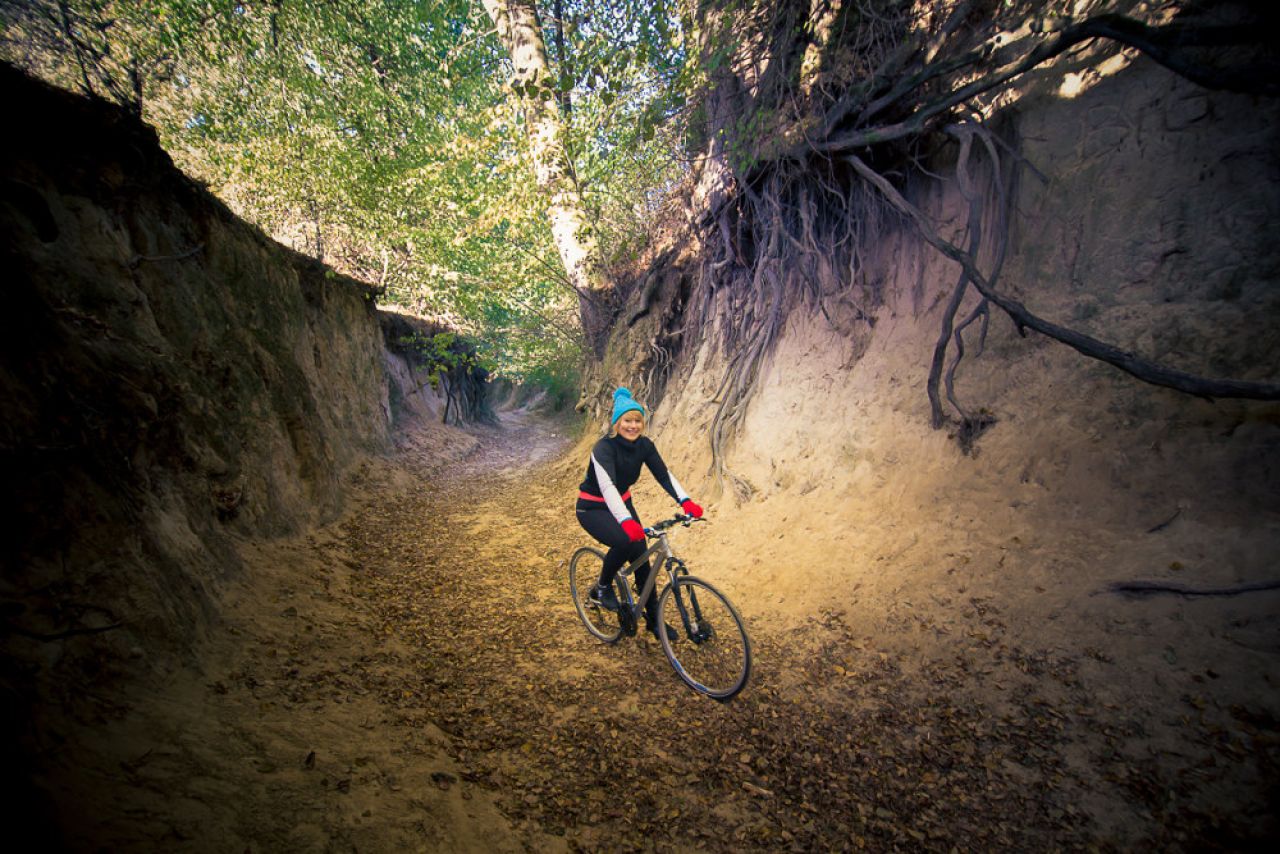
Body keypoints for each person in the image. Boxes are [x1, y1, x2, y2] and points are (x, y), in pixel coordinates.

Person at [576, 387, 703, 641]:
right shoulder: (603, 449)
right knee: (625, 540)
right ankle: (602, 588)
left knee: (642, 556)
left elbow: (663, 475)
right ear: (616, 423)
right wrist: (626, 522)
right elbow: (608, 487)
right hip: (593, 507)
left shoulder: (645, 446)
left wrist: (685, 501)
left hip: (622, 503)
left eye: (637, 421)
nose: (632, 426)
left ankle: (654, 620)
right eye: (627, 420)